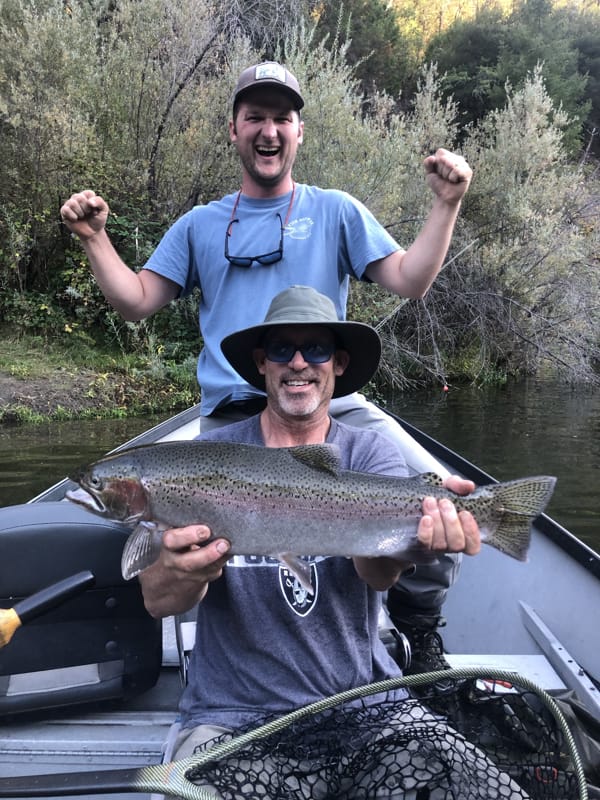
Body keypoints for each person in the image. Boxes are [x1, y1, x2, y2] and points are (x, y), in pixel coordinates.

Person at [60, 61, 474, 672]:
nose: (269, 130)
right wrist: (96, 238)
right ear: (234, 130)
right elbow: (136, 302)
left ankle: (419, 635)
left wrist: (447, 204)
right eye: (255, 117)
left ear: (299, 132)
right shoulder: (199, 224)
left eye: (282, 118)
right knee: (203, 546)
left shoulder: (336, 211)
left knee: (439, 495)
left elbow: (410, 280)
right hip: (230, 421)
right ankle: (247, 662)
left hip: (326, 404)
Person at [138, 287, 531, 800]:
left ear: (338, 364)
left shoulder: (371, 452)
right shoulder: (207, 457)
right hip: (232, 714)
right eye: (281, 350)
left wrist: (417, 541)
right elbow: (158, 600)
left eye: (315, 350)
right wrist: (182, 570)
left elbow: (377, 574)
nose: (298, 363)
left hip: (363, 705)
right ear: (261, 363)